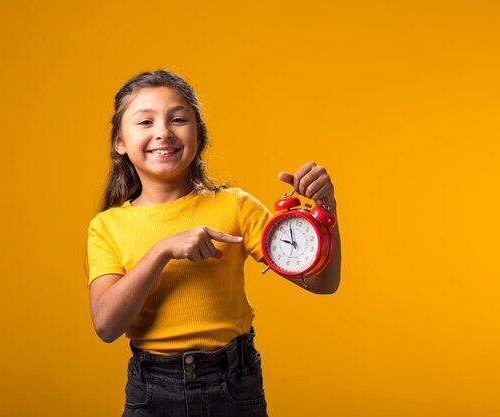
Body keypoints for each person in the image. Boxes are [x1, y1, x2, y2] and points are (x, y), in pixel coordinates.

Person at [86, 69, 341, 417]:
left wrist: (325, 213)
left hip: (233, 386)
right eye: (145, 122)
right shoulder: (107, 226)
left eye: (178, 119)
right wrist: (163, 250)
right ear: (120, 142)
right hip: (152, 392)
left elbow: (323, 283)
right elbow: (107, 326)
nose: (163, 132)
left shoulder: (234, 206)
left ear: (198, 135)